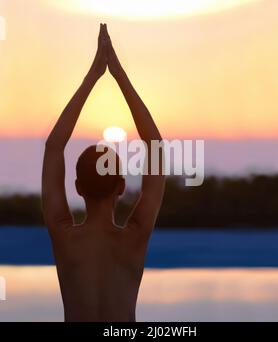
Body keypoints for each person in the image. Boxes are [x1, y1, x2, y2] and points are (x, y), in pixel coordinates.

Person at [42, 23, 165, 322]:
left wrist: (92, 76)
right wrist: (118, 74)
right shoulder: (134, 237)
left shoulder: (64, 236)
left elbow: (54, 147)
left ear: (78, 187)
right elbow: (156, 146)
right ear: (121, 186)